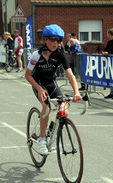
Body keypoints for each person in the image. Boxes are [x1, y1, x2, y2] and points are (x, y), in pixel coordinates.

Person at [25, 24, 81, 155]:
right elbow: (27, 75)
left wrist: (76, 92)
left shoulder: (60, 55)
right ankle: (42, 139)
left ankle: (51, 133)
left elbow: (70, 74)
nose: (55, 42)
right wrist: (38, 88)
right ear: (45, 40)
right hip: (38, 83)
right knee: (47, 107)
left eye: (58, 40)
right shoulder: (36, 55)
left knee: (64, 111)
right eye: (52, 39)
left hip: (51, 83)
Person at [102, 28, 113, 99]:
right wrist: (104, 52)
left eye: (107, 33)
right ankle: (111, 92)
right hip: (109, 62)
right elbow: (106, 49)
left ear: (109, 33)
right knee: (110, 77)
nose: (106, 35)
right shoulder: (109, 42)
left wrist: (108, 53)